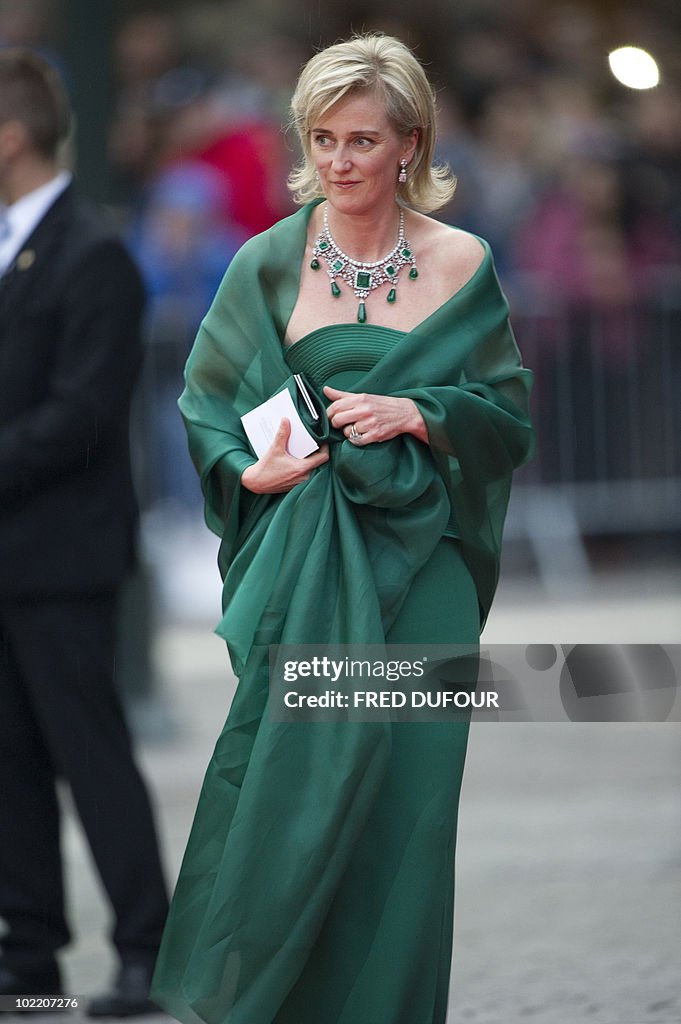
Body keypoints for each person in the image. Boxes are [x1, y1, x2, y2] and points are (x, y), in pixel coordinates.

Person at [151, 33, 534, 1024]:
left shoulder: (463, 261)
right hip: (308, 567)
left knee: (408, 821)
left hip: (425, 575)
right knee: (296, 807)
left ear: (411, 144)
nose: (339, 161)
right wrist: (251, 464)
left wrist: (422, 412)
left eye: (363, 139)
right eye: (321, 138)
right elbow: (206, 403)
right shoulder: (267, 263)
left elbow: (507, 414)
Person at [0, 49, 169, 1015]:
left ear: (13, 136)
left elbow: (81, 412)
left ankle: (145, 949)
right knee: (9, 764)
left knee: (89, 756)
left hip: (63, 557)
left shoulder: (91, 252)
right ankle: (29, 964)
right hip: (7, 555)